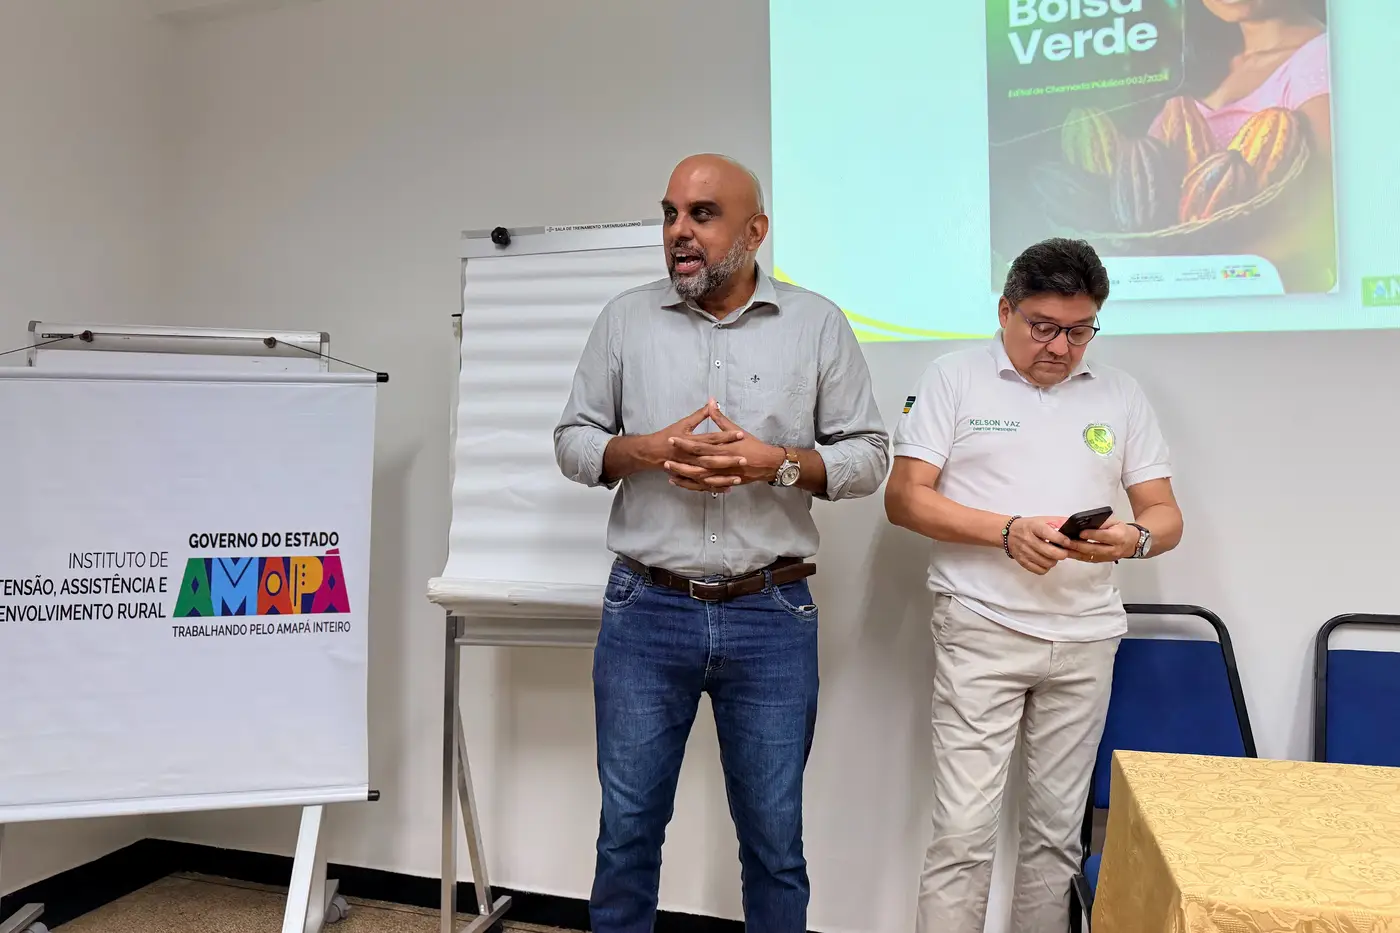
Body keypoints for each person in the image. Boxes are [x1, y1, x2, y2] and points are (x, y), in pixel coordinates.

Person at [554, 153, 889, 933]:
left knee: (774, 844)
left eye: (702, 214)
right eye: (670, 213)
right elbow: (573, 441)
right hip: (646, 609)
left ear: (755, 230)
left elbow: (870, 456)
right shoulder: (624, 320)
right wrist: (645, 450)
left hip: (770, 610)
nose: (679, 231)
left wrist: (776, 463)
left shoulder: (816, 324)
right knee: (626, 834)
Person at [884, 238, 1184, 933]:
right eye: (1043, 327)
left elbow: (1165, 514)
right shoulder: (953, 377)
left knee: (1056, 838)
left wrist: (1134, 539)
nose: (1060, 347)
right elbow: (904, 498)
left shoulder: (1120, 393)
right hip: (981, 627)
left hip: (1086, 637)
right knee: (963, 834)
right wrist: (1006, 531)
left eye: (1079, 331)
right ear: (1005, 311)